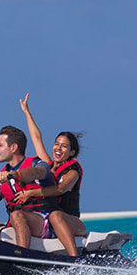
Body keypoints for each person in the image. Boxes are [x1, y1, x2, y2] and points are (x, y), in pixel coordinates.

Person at [14, 93, 87, 256]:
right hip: (48, 220)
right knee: (20, 215)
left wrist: (32, 193)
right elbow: (36, 139)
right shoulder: (49, 165)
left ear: (71, 152)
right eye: (56, 144)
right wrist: (27, 113)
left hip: (72, 221)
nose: (58, 149)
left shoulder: (73, 171)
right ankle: (23, 257)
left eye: (64, 147)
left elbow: (60, 189)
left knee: (55, 216)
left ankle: (74, 260)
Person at [0, 125, 59, 251]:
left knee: (16, 215)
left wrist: (15, 175)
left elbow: (37, 172)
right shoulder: (4, 178)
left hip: (46, 223)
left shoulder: (38, 164)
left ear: (13, 147)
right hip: (21, 223)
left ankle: (23, 256)